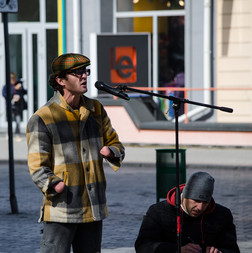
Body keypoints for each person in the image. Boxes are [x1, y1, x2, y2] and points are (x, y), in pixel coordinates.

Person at [26, 53, 125, 253]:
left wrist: (112, 151)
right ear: (60, 80)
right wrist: (56, 185)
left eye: (85, 71)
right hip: (63, 207)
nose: (84, 76)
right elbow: (37, 166)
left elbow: (116, 142)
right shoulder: (43, 117)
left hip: (93, 205)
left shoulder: (95, 109)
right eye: (77, 72)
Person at [135, 171, 240, 253]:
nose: (200, 207)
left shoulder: (222, 215)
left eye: (205, 202)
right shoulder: (158, 211)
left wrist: (220, 252)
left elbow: (233, 249)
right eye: (196, 201)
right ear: (184, 196)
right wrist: (176, 250)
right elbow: (143, 246)